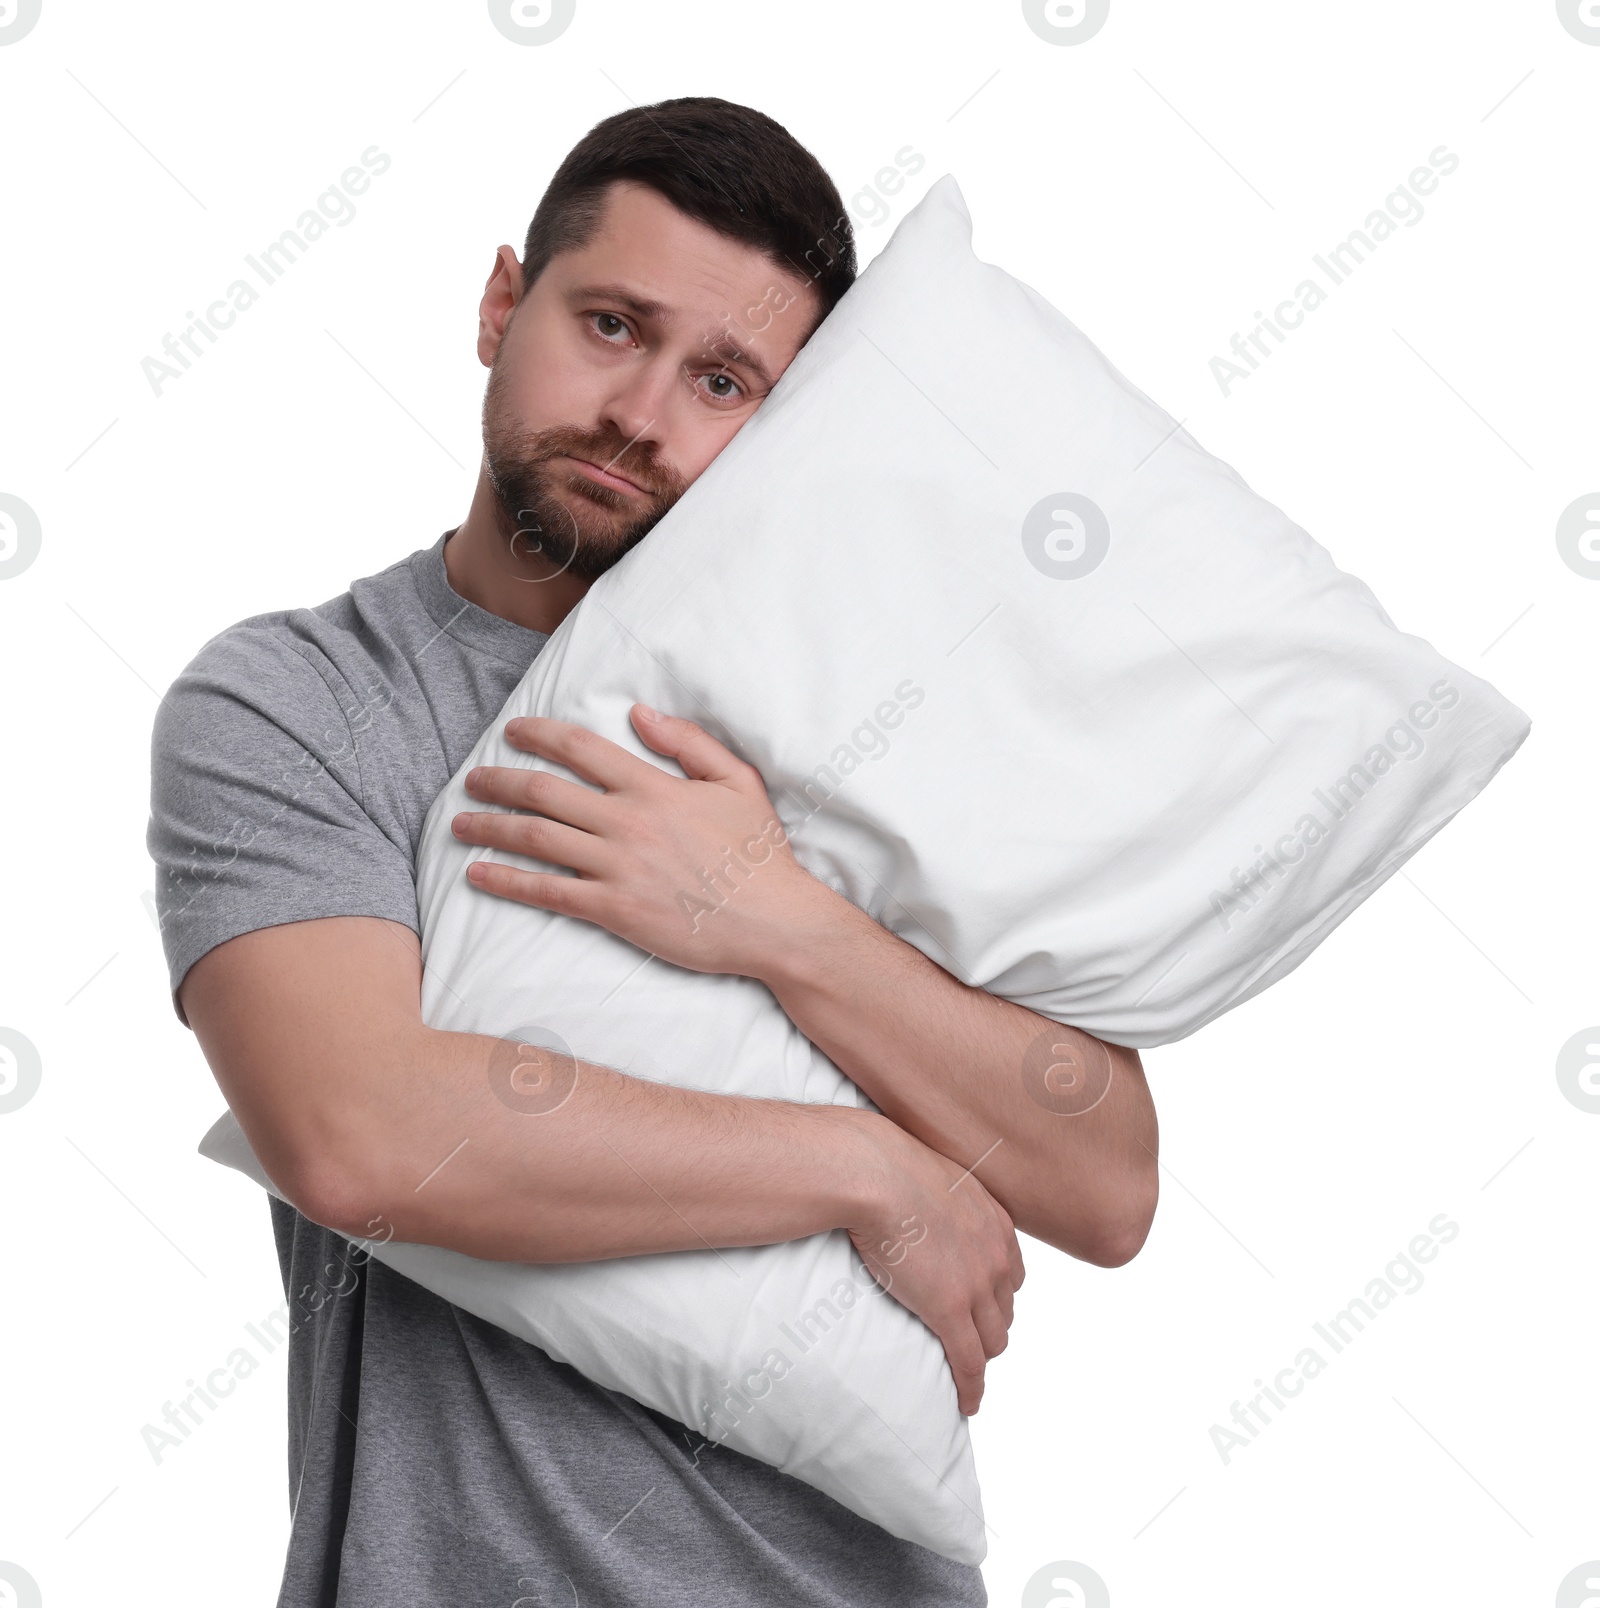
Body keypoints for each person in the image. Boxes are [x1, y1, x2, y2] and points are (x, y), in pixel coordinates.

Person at [148, 96, 1160, 1608]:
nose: (643, 413)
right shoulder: (300, 701)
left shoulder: (887, 723)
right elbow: (358, 1133)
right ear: (503, 303)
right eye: (611, 324)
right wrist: (868, 1172)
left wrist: (769, 916)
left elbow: (1104, 1178)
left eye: (725, 380)